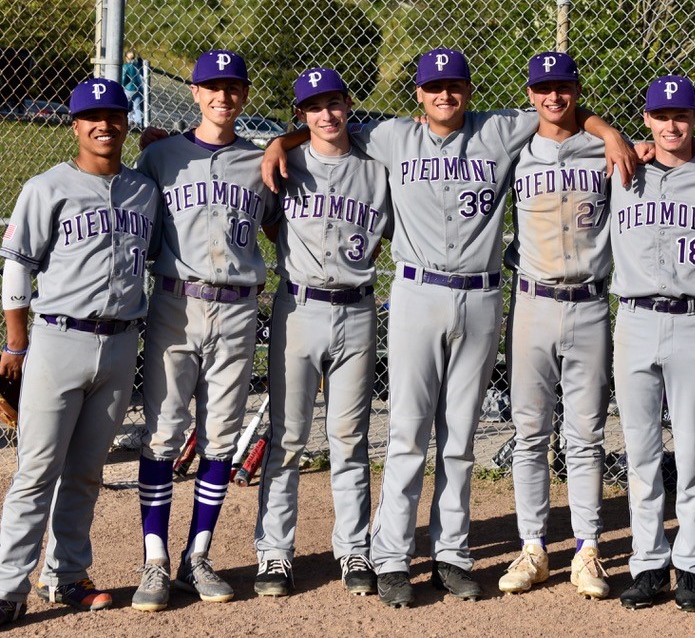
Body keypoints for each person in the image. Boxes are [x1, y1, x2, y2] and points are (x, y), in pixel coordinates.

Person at [261, 47, 632, 609]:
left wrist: (612, 134)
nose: (444, 95)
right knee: (408, 433)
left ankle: (452, 553)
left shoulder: (502, 130)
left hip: (482, 296)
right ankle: (389, 557)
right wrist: (276, 142)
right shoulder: (388, 135)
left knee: (459, 438)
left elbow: (561, 112)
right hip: (417, 293)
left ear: (468, 90)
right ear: (418, 94)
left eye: (454, 85)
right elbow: (321, 129)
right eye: (434, 87)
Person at [0, 79, 159, 624]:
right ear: (74, 125)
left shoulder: (143, 190)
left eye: (113, 115)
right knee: (37, 468)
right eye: (92, 116)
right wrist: (14, 344)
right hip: (57, 338)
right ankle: (7, 585)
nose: (103, 125)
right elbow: (18, 263)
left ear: (125, 123)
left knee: (87, 471)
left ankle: (66, 576)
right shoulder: (47, 187)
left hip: (120, 343)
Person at [132, 49, 279, 611]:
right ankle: (154, 560)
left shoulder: (259, 159)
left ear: (243, 95)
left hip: (239, 307)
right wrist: (152, 140)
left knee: (222, 435)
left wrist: (280, 145)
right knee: (163, 434)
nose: (222, 96)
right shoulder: (161, 157)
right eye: (211, 87)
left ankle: (198, 555)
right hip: (175, 304)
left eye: (232, 87)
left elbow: (273, 220)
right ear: (194, 92)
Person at [252, 68, 391, 598]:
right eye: (314, 107)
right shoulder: (286, 163)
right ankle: (273, 552)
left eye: (334, 103)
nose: (327, 115)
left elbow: (385, 233)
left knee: (349, 438)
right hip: (298, 307)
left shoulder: (377, 168)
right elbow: (269, 223)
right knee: (287, 437)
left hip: (355, 311)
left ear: (348, 105)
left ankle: (354, 547)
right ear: (301, 117)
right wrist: (276, 145)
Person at [611, 75, 695, 613]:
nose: (671, 125)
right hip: (634, 318)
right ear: (646, 120)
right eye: (661, 116)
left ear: (694, 120)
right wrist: (614, 141)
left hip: (692, 320)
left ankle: (690, 565)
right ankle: (648, 563)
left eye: (681, 116)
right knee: (640, 453)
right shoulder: (620, 172)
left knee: (692, 449)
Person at [497, 52, 612, 600]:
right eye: (543, 88)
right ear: (531, 92)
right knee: (529, 432)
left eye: (562, 87)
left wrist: (609, 132)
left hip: (589, 302)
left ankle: (587, 547)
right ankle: (533, 546)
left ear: (575, 89)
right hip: (532, 303)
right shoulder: (515, 151)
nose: (553, 97)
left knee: (586, 433)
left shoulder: (603, 148)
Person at [122, 50, 144, 128]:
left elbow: (124, 77)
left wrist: (122, 85)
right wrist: (140, 59)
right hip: (138, 88)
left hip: (129, 89)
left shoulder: (126, 66)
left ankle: (128, 121)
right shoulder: (136, 65)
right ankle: (139, 124)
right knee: (137, 107)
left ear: (126, 58)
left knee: (126, 106)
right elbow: (142, 71)